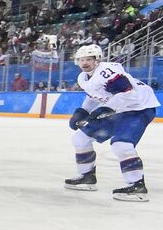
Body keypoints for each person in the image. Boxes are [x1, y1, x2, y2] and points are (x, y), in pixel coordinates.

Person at [64, 43, 157, 201]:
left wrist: (104, 109)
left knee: (122, 145)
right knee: (80, 138)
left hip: (138, 108)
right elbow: (94, 95)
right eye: (81, 59)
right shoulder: (83, 77)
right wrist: (82, 112)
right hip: (118, 109)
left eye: (89, 59)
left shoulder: (107, 72)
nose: (84, 63)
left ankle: (137, 186)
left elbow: (128, 93)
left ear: (97, 60)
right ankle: (86, 177)